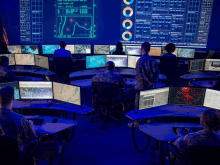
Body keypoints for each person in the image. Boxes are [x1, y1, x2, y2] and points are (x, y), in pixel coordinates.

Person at [0, 86, 37, 164]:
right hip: (16, 156)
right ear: (13, 98)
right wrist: (30, 125)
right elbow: (32, 137)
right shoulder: (20, 119)